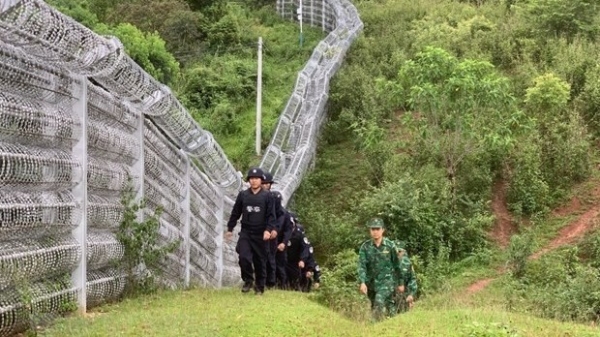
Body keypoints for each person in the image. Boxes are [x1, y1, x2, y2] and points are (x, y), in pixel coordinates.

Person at [225, 167, 277, 295]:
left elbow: (271, 215)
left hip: (261, 233)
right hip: (246, 232)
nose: (254, 181)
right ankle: (248, 280)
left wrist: (268, 230)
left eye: (256, 179)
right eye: (251, 179)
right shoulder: (243, 195)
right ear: (249, 181)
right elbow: (236, 212)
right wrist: (230, 228)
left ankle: (260, 286)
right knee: (244, 257)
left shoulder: (268, 196)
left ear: (261, 180)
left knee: (260, 260)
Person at [357, 218, 404, 321]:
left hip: (386, 281)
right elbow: (362, 266)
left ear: (383, 230)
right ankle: (388, 325)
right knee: (375, 305)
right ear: (370, 231)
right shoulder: (365, 247)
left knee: (379, 300)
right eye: (373, 229)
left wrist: (400, 283)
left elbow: (397, 265)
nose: (375, 232)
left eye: (377, 229)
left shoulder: (390, 246)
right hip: (371, 283)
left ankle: (372, 326)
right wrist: (362, 282)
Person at [261, 171, 289, 289]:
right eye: (264, 183)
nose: (266, 185)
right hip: (257, 231)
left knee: (270, 257)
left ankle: (270, 282)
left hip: (271, 232)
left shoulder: (274, 197)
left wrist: (275, 229)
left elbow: (281, 215)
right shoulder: (251, 197)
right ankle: (259, 280)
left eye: (268, 183)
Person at [286, 212, 310, 291]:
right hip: (282, 260)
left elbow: (305, 248)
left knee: (294, 279)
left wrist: (302, 260)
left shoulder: (299, 235)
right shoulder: (282, 232)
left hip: (294, 261)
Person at [394, 240, 417, 313]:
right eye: (396, 251)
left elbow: (412, 279)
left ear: (404, 252)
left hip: (404, 298)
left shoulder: (408, 264)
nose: (398, 253)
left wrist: (411, 295)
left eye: (400, 251)